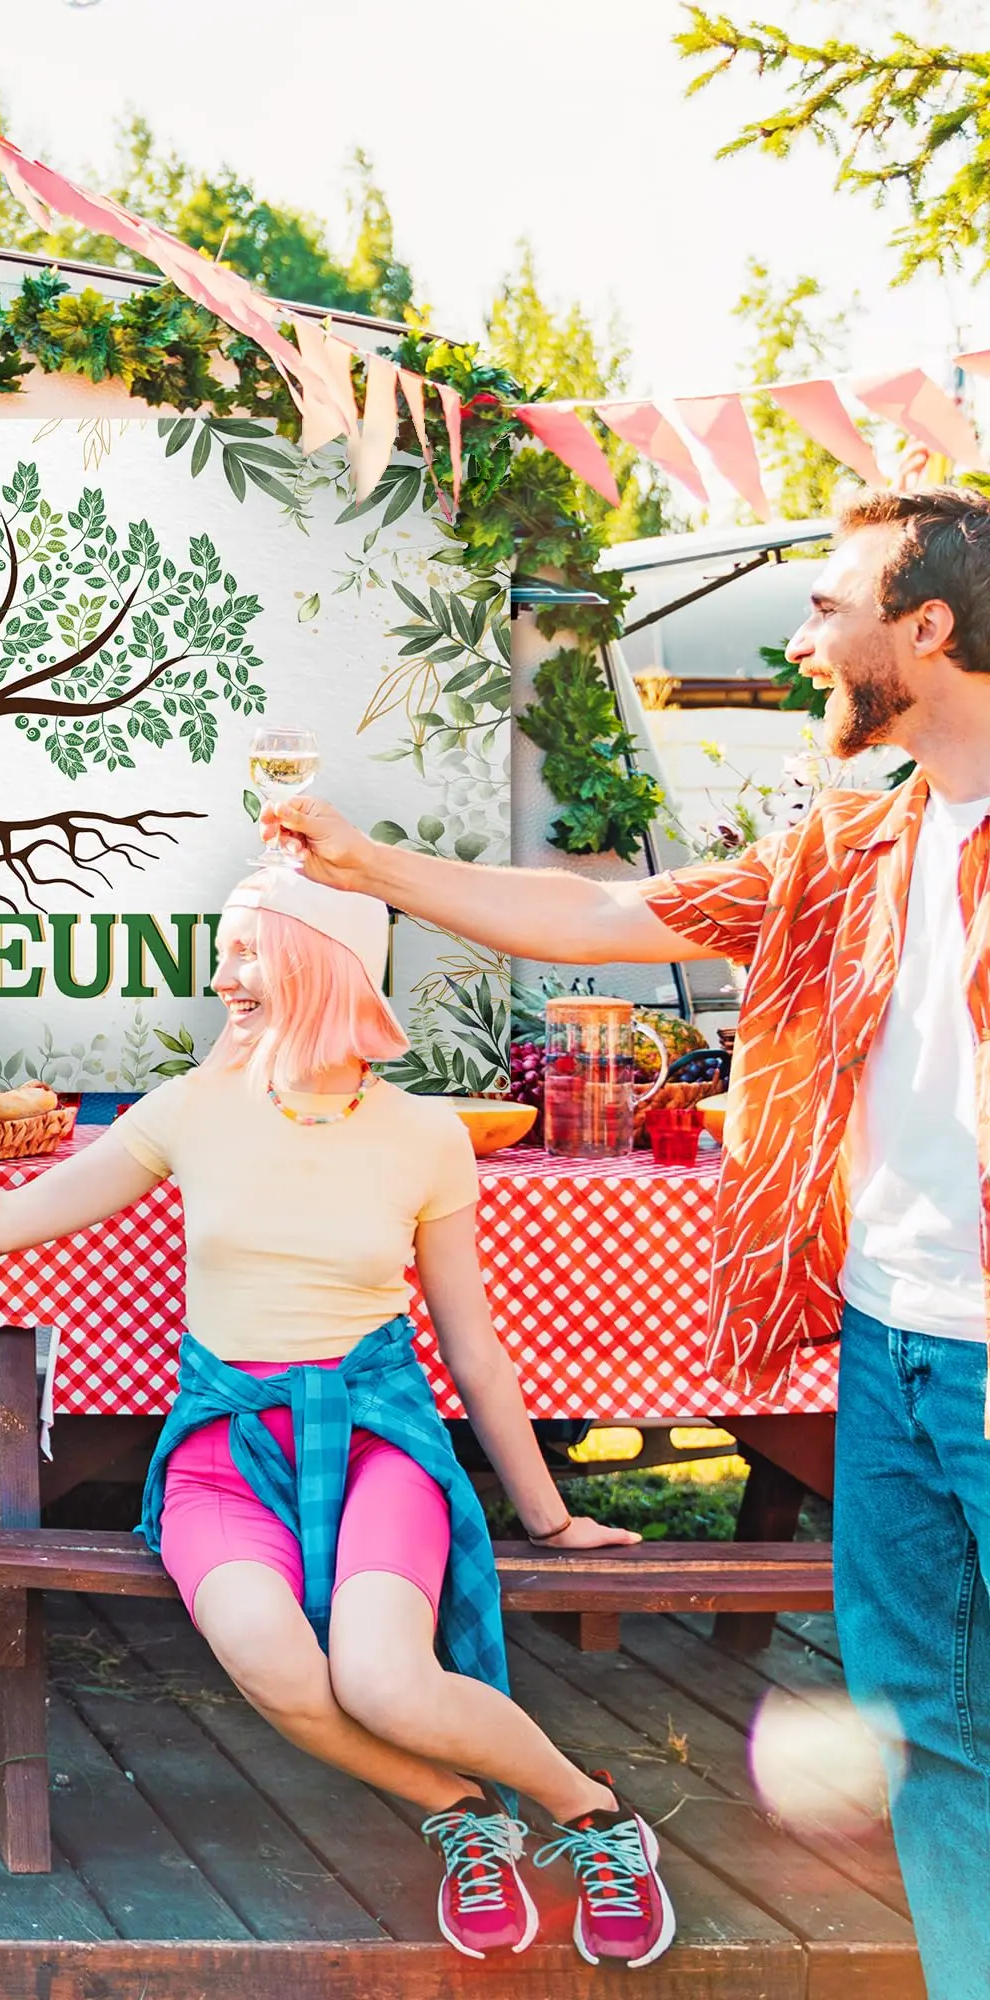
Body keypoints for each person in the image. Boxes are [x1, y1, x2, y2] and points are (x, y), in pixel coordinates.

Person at [262, 484, 990, 1999]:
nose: (803, 638)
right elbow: (610, 919)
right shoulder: (856, 841)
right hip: (897, 1343)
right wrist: (371, 868)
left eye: (829, 605)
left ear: (924, 630)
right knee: (925, 1722)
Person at [0, 866, 677, 1968]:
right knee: (278, 1667)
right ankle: (464, 1814)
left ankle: (592, 1818)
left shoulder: (422, 1132)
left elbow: (468, 1345)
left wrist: (545, 1515)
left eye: (243, 950)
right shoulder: (189, 1109)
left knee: (382, 1676)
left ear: (314, 962)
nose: (218, 974)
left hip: (376, 1440)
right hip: (221, 1455)